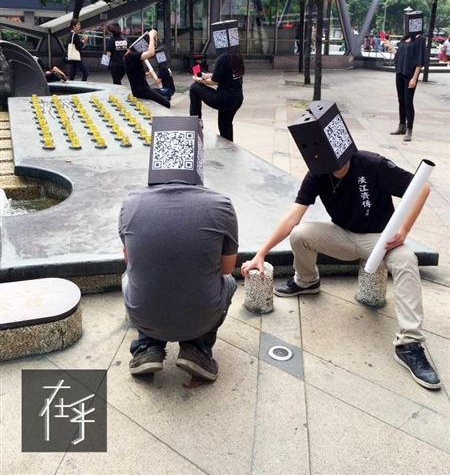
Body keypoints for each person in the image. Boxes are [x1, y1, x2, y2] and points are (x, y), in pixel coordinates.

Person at [241, 102, 441, 391]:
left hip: (380, 239)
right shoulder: (317, 173)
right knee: (300, 234)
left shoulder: (372, 164)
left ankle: (409, 343)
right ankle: (307, 281)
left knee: (407, 260)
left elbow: (421, 188)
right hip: (343, 236)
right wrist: (260, 254)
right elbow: (292, 218)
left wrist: (404, 229)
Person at [119, 116, 239, 381]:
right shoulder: (221, 204)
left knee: (130, 275)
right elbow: (227, 269)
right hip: (201, 314)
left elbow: (130, 260)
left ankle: (147, 347)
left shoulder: (131, 203)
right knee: (229, 283)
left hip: (145, 312)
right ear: (198, 159)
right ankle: (197, 349)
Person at [189, 51, 244, 142]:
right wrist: (209, 75)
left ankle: (196, 122)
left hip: (223, 98)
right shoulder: (237, 54)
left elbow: (214, 81)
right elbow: (225, 75)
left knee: (194, 88)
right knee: (225, 126)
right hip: (237, 98)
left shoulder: (223, 57)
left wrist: (198, 80)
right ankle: (229, 147)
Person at [382, 32, 426, 142]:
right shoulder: (404, 38)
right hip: (400, 73)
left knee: (408, 102)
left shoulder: (420, 39)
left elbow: (419, 62)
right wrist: (390, 47)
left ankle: (409, 129)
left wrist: (414, 78)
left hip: (410, 75)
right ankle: (402, 126)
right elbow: (399, 56)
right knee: (401, 100)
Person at [123, 29, 170, 109]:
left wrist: (144, 73)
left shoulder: (128, 57)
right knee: (167, 103)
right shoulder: (132, 56)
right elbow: (151, 53)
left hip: (140, 90)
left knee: (160, 93)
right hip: (143, 91)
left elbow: (134, 71)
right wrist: (151, 36)